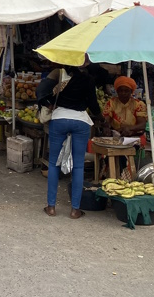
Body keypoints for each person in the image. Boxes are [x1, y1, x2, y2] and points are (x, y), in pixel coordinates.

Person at [41, 65, 102, 220]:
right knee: (78, 165)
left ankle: (51, 207)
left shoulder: (59, 75)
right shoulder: (88, 79)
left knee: (54, 163)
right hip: (80, 121)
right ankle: (75, 210)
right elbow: (93, 104)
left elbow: (41, 91)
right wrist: (101, 117)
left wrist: (49, 103)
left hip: (59, 119)